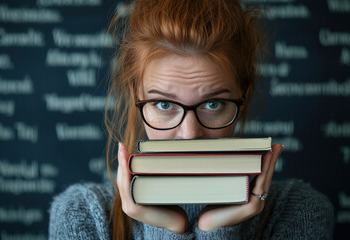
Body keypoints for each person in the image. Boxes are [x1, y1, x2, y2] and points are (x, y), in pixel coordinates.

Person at [49, 0, 334, 239]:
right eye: (163, 104)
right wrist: (169, 229)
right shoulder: (82, 214)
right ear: (137, 97)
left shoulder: (299, 212)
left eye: (214, 104)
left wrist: (216, 230)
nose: (189, 134)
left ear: (243, 96)